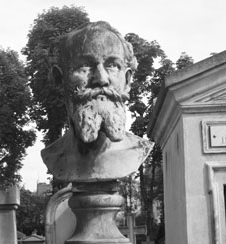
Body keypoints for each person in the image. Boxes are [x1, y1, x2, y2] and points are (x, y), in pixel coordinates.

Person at [41, 21, 153, 182]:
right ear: (59, 78)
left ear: (127, 80)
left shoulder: (139, 150)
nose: (101, 79)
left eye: (113, 66)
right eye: (84, 66)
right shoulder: (54, 156)